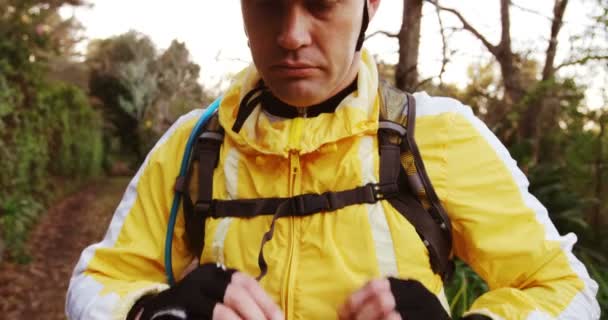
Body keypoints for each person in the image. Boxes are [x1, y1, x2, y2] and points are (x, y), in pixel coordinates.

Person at [66, 1, 601, 319]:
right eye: (269, 2)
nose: (291, 34)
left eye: (321, 2)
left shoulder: (440, 136)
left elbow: (568, 290)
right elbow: (95, 280)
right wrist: (153, 311)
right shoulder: (194, 143)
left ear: (370, 5)